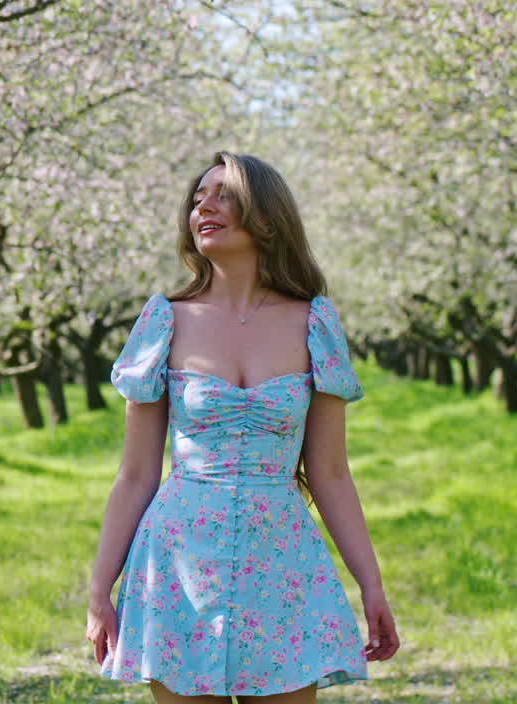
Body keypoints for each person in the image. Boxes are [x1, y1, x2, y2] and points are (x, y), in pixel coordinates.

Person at [86, 152, 399, 703]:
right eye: (198, 196)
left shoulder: (314, 323)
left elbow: (329, 473)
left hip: (281, 560)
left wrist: (370, 584)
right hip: (178, 563)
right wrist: (99, 590)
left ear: (268, 218)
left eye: (224, 194)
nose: (204, 205)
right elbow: (135, 474)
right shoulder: (164, 321)